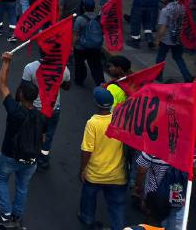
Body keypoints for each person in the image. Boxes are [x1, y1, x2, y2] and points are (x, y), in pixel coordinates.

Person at [0, 52, 43, 229]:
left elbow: (2, 84)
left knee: (1, 180)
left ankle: (6, 216)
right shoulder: (40, 116)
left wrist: (6, 63)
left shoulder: (14, 111)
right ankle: (17, 215)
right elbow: (42, 137)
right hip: (30, 160)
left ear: (21, 96)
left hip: (9, 156)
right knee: (22, 187)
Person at [78, 87, 127, 230]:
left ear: (96, 103)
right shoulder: (120, 120)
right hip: (118, 175)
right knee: (116, 206)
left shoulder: (93, 123)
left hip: (95, 174)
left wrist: (82, 169)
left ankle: (87, 219)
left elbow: (86, 150)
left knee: (89, 197)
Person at [21, 56, 70, 171]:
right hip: (53, 109)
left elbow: (23, 88)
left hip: (35, 109)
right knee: (48, 136)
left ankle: (28, 158)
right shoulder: (63, 68)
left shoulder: (30, 67)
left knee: (30, 133)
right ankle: (43, 160)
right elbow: (67, 86)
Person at [134, 153, 188, 229]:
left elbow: (141, 170)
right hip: (178, 198)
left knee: (153, 225)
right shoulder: (189, 147)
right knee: (175, 224)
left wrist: (138, 188)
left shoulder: (153, 145)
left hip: (155, 198)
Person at [154, 0, 193, 82]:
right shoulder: (182, 7)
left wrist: (157, 39)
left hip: (166, 39)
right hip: (179, 38)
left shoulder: (165, 11)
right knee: (178, 58)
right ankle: (187, 77)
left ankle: (158, 77)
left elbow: (163, 27)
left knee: (160, 58)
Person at [73, 0, 106, 87]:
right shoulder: (99, 18)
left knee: (79, 64)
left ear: (83, 7)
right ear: (94, 8)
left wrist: (73, 45)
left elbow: (75, 34)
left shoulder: (79, 19)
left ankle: (79, 80)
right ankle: (101, 83)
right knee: (96, 66)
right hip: (95, 47)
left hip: (81, 47)